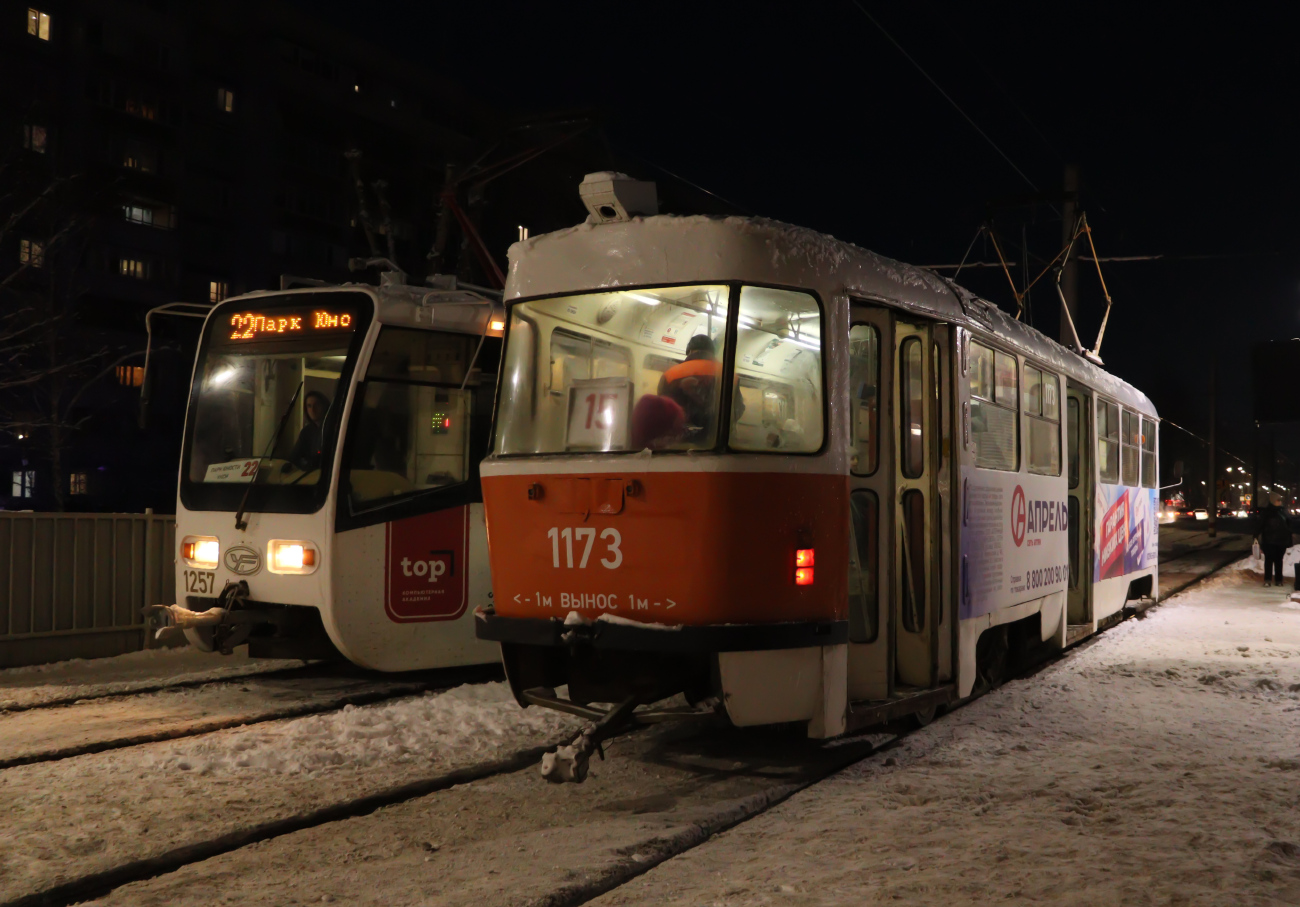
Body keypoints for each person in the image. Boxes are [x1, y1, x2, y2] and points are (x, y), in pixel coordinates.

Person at [285, 391, 330, 473]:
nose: (313, 409)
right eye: (309, 406)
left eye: (317, 405)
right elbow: (294, 457)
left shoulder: (333, 428)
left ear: (324, 406)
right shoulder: (307, 431)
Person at [1256, 491, 1293, 588]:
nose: (1280, 502)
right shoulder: (1266, 513)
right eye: (1278, 500)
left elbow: (1289, 525)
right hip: (1269, 541)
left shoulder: (1283, 511)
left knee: (1279, 561)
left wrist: (1289, 539)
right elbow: (1260, 525)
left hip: (1281, 541)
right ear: (1272, 501)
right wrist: (1256, 536)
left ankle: (1278, 580)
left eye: (1280, 500)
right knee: (1268, 561)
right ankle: (1268, 579)